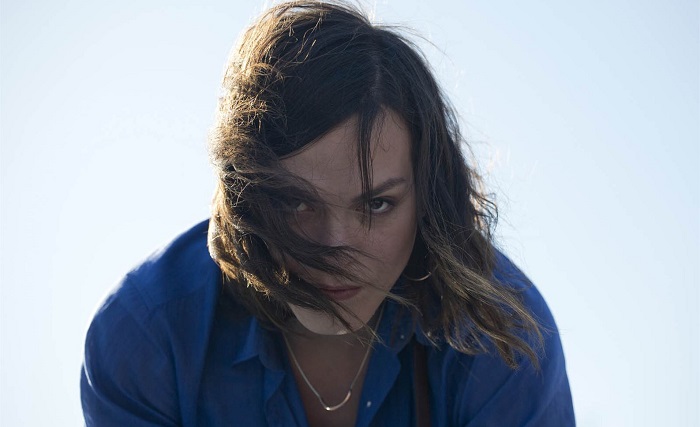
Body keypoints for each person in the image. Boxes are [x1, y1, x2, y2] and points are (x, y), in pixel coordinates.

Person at [80, 1, 575, 426]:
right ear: (243, 194)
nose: (335, 246)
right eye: (296, 202)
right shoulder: (147, 336)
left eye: (377, 204)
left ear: (428, 197)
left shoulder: (501, 337)